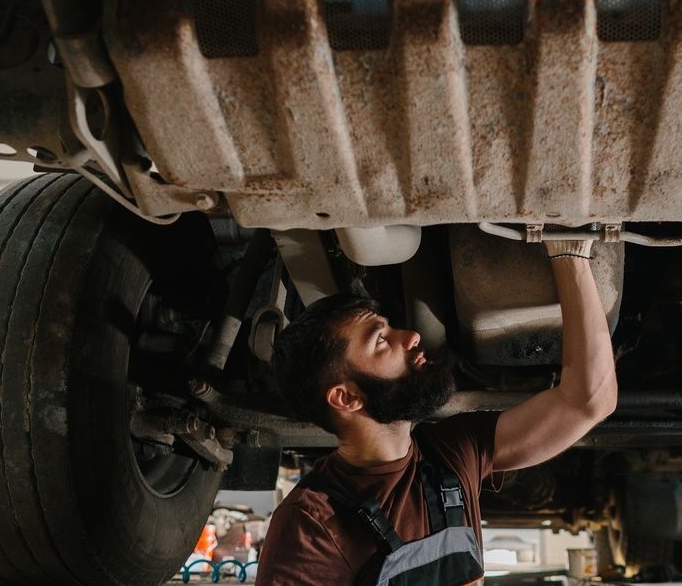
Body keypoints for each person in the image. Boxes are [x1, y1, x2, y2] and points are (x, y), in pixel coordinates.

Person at [255, 239, 618, 585]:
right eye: (381, 341)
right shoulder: (312, 522)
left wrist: (569, 251)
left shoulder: (452, 453)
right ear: (347, 398)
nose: (410, 336)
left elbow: (587, 401)